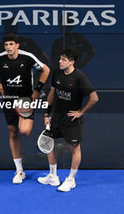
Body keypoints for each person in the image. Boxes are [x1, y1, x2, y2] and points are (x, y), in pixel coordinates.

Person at [0, 33, 50, 184]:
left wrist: (37, 90)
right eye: (6, 45)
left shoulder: (27, 57)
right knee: (13, 132)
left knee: (25, 131)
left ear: (17, 45)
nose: (8, 47)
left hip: (25, 99)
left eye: (11, 44)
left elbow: (46, 70)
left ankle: (39, 146)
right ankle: (19, 170)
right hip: (9, 100)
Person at [37, 48, 98, 192]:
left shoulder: (79, 77)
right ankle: (53, 176)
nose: (60, 61)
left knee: (74, 148)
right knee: (50, 143)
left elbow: (94, 97)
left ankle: (71, 180)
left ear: (72, 62)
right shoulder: (57, 73)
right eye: (60, 59)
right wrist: (47, 114)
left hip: (71, 120)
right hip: (56, 116)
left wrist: (80, 112)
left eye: (63, 60)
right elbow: (52, 93)